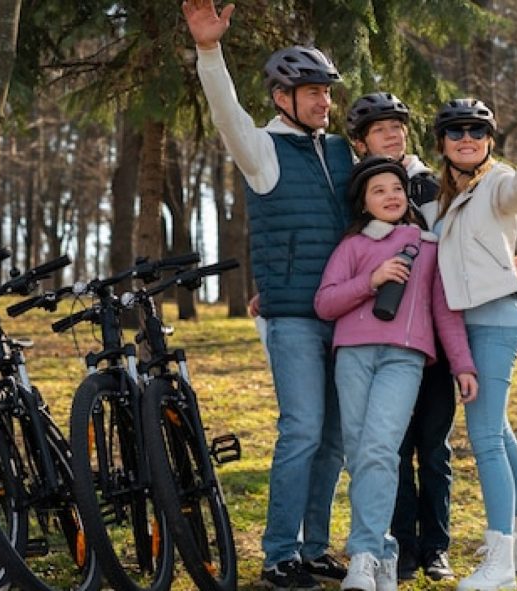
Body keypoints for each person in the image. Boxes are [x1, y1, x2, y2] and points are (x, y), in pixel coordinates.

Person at [182, 1, 352, 588]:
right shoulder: (263, 152)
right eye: (312, 92)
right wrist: (210, 50)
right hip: (294, 319)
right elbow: (226, 113)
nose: (324, 101)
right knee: (303, 429)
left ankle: (314, 547)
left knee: (333, 438)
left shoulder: (341, 152)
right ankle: (280, 553)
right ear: (283, 98)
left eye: (327, 91)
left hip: (346, 316)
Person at [314, 156, 478, 591]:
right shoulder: (351, 247)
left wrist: (462, 364)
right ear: (364, 203)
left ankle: (363, 555)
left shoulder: (427, 247)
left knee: (381, 450)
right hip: (352, 356)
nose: (390, 196)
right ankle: (383, 554)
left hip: (404, 360)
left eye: (396, 189)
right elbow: (325, 303)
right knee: (359, 453)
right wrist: (371, 280)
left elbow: (445, 313)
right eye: (378, 190)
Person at [428, 98, 517, 591]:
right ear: (442, 142)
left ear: (489, 141)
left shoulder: (498, 181)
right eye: (456, 131)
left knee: (483, 437)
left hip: (497, 321)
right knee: (497, 430)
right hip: (461, 324)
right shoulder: (438, 196)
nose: (466, 138)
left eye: (476, 131)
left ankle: (499, 561)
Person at [345, 92, 459, 583]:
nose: (392, 134)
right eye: (380, 129)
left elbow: (460, 241)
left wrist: (506, 261)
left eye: (398, 127)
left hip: (433, 335)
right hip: (378, 341)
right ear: (360, 142)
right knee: (390, 446)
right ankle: (401, 546)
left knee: (433, 446)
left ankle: (436, 547)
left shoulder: (432, 186)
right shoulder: (357, 192)